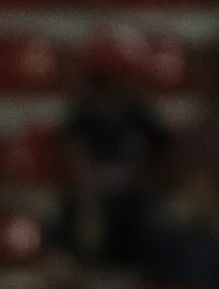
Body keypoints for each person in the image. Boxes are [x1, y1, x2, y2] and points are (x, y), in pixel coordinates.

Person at [53, 66, 170, 272]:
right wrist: (92, 176)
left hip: (133, 188)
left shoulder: (138, 113)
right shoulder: (82, 115)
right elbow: (74, 149)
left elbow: (157, 148)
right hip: (93, 189)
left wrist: (134, 173)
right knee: (84, 212)